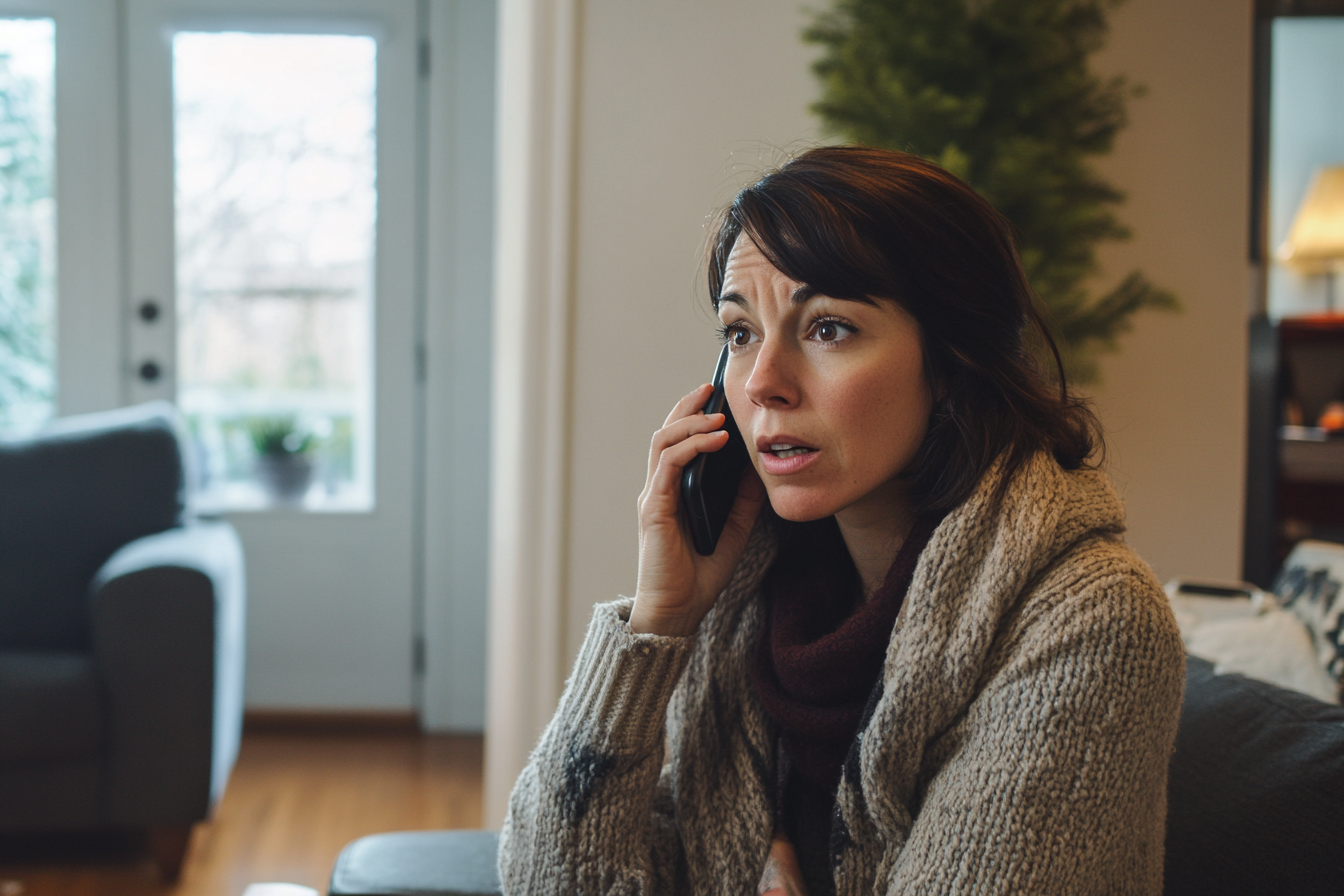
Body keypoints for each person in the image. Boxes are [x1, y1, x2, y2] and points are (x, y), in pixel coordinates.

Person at [498, 146, 1185, 896]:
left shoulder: (1092, 621)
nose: (762, 383)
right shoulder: (746, 602)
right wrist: (659, 624)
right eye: (740, 332)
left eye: (828, 328)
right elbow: (546, 883)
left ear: (954, 359)